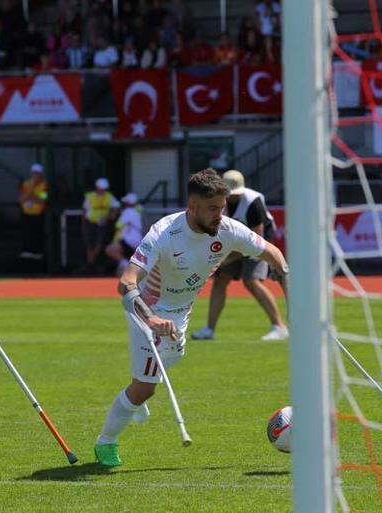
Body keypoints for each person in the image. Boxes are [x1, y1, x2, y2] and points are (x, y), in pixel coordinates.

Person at [93, 168, 289, 467]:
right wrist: (152, 320)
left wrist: (292, 298)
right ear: (192, 206)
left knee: (170, 360)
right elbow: (126, 283)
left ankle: (137, 395)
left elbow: (273, 253)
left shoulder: (228, 229)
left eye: (222, 208)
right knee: (145, 386)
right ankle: (106, 441)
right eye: (212, 209)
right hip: (146, 311)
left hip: (181, 313)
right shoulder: (164, 232)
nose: (219, 215)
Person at [191, 170, 288, 341]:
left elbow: (256, 239)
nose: (232, 198)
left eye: (235, 194)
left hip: (259, 241)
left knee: (251, 281)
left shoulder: (253, 202)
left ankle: (279, 327)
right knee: (221, 280)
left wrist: (226, 259)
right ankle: (209, 329)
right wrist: (219, 257)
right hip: (232, 243)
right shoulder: (217, 201)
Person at [82, 177, 119, 271]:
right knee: (89, 244)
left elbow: (116, 207)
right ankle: (90, 264)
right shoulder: (90, 196)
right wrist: (83, 223)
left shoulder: (109, 196)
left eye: (104, 188)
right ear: (97, 187)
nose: (102, 190)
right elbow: (85, 210)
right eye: (101, 188)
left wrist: (111, 216)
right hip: (90, 222)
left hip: (102, 224)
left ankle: (90, 263)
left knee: (99, 243)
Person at [105, 192, 143, 276]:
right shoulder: (138, 210)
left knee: (109, 249)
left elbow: (118, 225)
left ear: (128, 203)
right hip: (137, 240)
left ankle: (125, 264)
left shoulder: (128, 211)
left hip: (129, 240)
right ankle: (127, 266)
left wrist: (115, 241)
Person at [18, 163, 48, 260]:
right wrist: (31, 187)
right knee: (26, 234)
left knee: (37, 235)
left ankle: (38, 252)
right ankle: (26, 252)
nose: (35, 176)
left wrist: (30, 197)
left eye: (37, 173)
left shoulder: (44, 185)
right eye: (33, 173)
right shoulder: (25, 184)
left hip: (38, 215)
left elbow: (42, 200)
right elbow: (22, 199)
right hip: (26, 214)